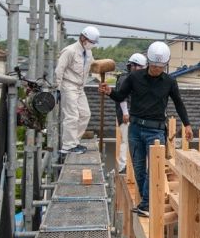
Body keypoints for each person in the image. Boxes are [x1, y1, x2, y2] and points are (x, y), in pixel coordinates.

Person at [101, 41, 193, 217]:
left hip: (156, 131)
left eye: (161, 67)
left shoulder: (169, 82)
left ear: (165, 65)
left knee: (154, 168)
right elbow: (121, 96)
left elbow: (179, 104)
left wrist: (187, 124)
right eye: (154, 66)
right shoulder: (135, 78)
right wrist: (109, 92)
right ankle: (146, 202)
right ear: (148, 62)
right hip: (135, 128)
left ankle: (146, 204)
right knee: (138, 167)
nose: (157, 70)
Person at [55, 25, 100, 154]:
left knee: (85, 114)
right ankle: (68, 146)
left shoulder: (88, 52)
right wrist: (57, 89)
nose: (92, 45)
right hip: (68, 85)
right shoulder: (69, 51)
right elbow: (59, 70)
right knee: (72, 116)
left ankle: (74, 142)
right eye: (91, 42)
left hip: (80, 87)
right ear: (82, 38)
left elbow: (93, 65)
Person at [111, 52, 147, 174]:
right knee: (126, 140)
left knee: (133, 141)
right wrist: (126, 113)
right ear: (130, 66)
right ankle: (123, 166)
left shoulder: (136, 79)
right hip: (126, 116)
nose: (137, 68)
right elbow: (122, 97)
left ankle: (130, 166)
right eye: (134, 66)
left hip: (134, 116)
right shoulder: (124, 78)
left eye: (139, 66)